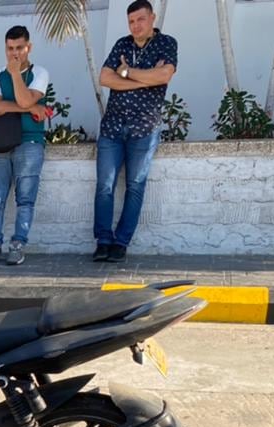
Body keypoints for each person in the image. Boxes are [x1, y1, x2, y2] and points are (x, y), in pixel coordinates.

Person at [92, 0, 177, 264]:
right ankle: (103, 241)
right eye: (131, 21)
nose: (135, 25)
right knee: (104, 185)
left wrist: (127, 72)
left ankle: (121, 242)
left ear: (152, 18)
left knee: (135, 185)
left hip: (144, 128)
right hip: (112, 127)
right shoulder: (122, 44)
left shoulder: (166, 44)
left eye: (140, 19)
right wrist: (144, 80)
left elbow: (163, 76)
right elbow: (105, 78)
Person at [0, 26, 50, 267]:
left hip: (30, 141)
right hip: (1, 143)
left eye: (19, 48)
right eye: (10, 48)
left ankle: (18, 245)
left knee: (25, 198)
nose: (14, 53)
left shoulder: (39, 73)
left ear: (28, 48)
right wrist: (32, 108)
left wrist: (15, 75)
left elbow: (22, 98)